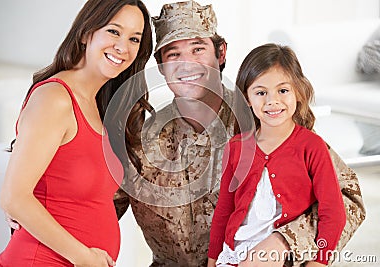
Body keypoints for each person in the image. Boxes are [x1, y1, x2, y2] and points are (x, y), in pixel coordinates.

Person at [113, 1, 365, 267]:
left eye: (198, 49)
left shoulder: (265, 118)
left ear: (220, 54)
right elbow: (95, 207)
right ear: (161, 66)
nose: (186, 65)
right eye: (173, 54)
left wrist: (284, 241)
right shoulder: (140, 140)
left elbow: (348, 199)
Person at [0, 0, 152, 266]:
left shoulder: (99, 106)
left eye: (134, 38)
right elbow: (14, 198)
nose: (123, 47)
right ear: (85, 33)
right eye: (114, 31)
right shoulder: (55, 97)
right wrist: (84, 257)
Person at [208, 43, 347, 267]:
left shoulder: (312, 147)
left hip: (285, 257)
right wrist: (212, 261)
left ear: (298, 93)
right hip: (235, 253)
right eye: (261, 92)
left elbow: (333, 213)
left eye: (283, 91)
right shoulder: (236, 148)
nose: (272, 101)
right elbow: (224, 210)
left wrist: (319, 262)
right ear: (247, 99)